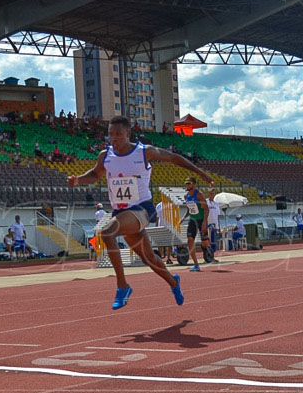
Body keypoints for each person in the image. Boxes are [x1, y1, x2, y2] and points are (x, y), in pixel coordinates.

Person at [68, 116, 210, 310]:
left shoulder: (144, 152)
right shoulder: (105, 155)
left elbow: (174, 158)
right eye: (110, 134)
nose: (114, 138)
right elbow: (95, 174)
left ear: (128, 134)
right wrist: (78, 180)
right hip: (121, 212)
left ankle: (122, 286)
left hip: (142, 209)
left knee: (108, 233)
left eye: (118, 134)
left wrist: (200, 172)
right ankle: (173, 282)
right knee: (148, 258)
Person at [181, 177, 212, 271]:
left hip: (201, 220)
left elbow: (206, 209)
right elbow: (189, 209)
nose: (187, 185)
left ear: (194, 184)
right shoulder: (186, 196)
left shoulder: (199, 195)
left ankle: (207, 247)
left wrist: (204, 222)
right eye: (186, 183)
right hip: (192, 220)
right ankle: (196, 264)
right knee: (190, 240)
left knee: (205, 243)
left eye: (189, 183)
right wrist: (184, 217)